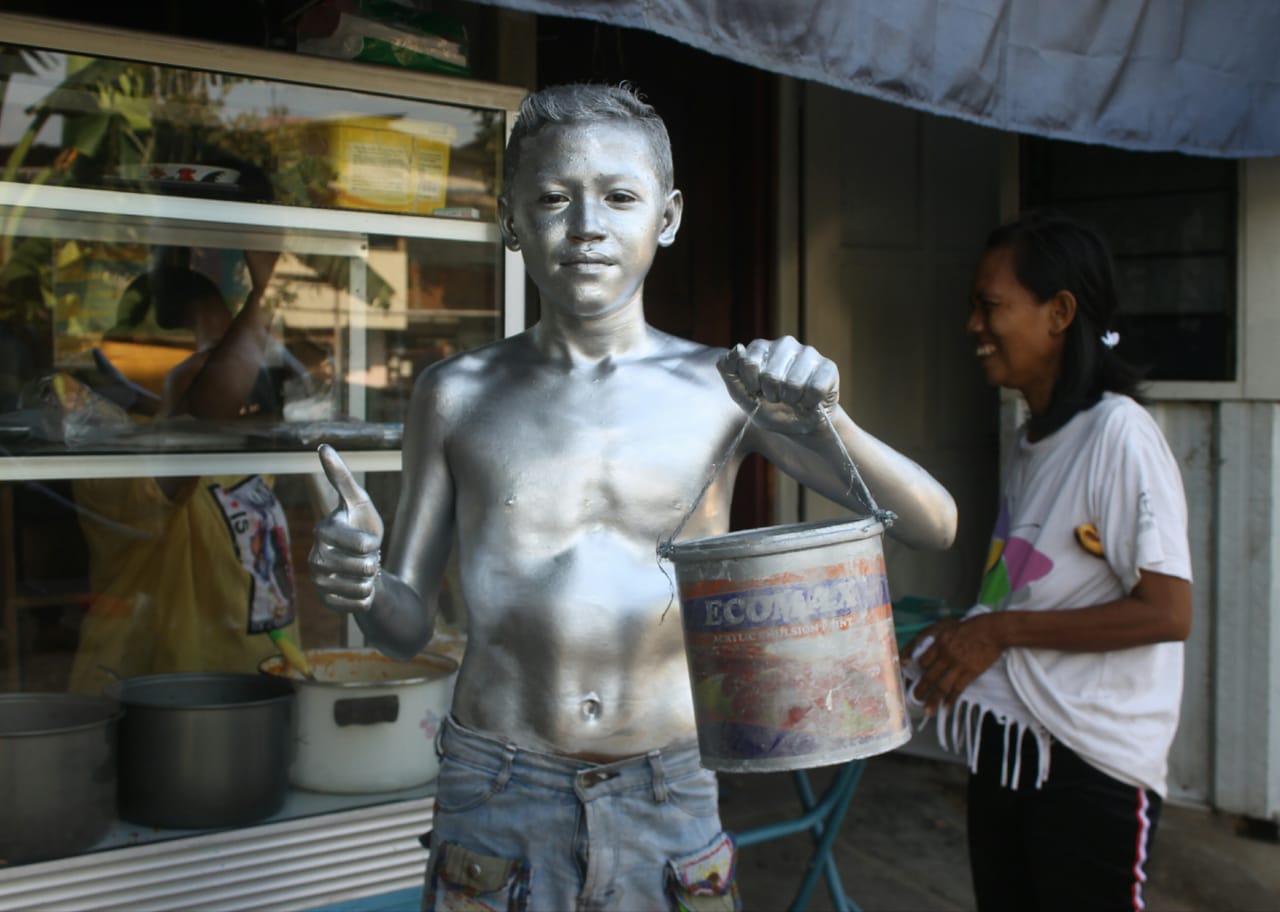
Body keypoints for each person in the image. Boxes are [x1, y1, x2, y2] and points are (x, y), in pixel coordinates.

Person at [309, 83, 958, 912]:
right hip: (498, 785)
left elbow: (934, 522)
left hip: (669, 783)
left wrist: (830, 417)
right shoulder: (457, 395)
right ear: (510, 218)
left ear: (669, 215)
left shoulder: (727, 387)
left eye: (619, 196)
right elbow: (403, 633)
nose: (587, 225)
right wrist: (364, 587)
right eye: (551, 198)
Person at [905, 210, 1193, 912]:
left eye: (991, 305)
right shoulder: (1034, 437)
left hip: (1087, 768)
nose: (974, 325)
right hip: (1010, 747)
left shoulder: (1119, 435)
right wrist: (959, 630)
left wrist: (997, 633)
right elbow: (1029, 595)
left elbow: (1167, 610)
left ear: (1060, 312)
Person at [68, 247, 304, 691]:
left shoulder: (235, 442)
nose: (236, 365)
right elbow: (197, 414)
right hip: (158, 697)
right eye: (210, 354)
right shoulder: (117, 463)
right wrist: (264, 296)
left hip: (258, 682)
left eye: (227, 348)